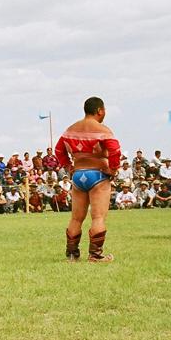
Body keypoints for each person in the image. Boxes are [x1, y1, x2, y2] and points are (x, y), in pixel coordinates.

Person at [54, 97, 121, 259]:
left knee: (76, 218)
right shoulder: (103, 130)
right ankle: (95, 255)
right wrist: (112, 169)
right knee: (98, 217)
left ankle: (72, 254)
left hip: (78, 176)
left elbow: (58, 150)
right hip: (97, 174)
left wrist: (69, 167)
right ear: (100, 111)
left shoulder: (70, 130)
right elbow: (115, 151)